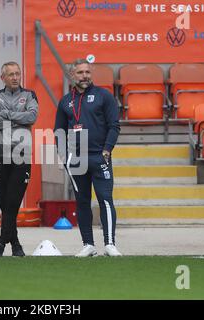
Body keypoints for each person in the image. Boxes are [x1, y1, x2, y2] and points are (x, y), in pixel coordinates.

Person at [54, 58, 122, 257]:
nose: (85, 76)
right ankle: (88, 244)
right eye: (80, 72)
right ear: (72, 75)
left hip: (99, 157)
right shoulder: (65, 101)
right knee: (82, 201)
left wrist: (107, 150)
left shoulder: (104, 96)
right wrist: (63, 156)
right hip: (75, 160)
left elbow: (114, 126)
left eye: (87, 72)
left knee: (105, 199)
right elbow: (58, 130)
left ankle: (109, 243)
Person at [0, 61, 39, 257]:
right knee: (4, 201)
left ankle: (0, 243)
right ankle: (15, 243)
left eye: (17, 74)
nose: (15, 77)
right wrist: (19, 116)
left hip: (21, 155)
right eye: (11, 74)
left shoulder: (29, 95)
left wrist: (6, 114)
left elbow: (32, 118)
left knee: (13, 200)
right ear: (3, 78)